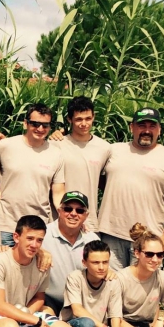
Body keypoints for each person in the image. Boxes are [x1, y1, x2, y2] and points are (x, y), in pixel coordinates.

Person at [98, 108, 164, 269]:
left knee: (142, 291)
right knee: (109, 288)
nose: (146, 130)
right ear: (131, 127)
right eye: (141, 125)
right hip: (110, 235)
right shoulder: (113, 150)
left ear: (159, 129)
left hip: (148, 240)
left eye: (152, 126)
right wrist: (61, 136)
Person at [0, 104, 65, 246]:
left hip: (38, 227)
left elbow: (58, 194)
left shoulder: (56, 153)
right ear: (25, 123)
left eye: (45, 125)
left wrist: (69, 217)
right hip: (6, 225)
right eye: (35, 124)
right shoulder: (5, 146)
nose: (40, 129)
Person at [46, 96, 111, 232]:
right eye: (78, 119)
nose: (84, 124)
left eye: (88, 118)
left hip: (89, 223)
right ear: (69, 119)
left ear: (94, 116)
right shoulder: (56, 144)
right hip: (58, 220)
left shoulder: (105, 148)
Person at [41, 191, 101, 315]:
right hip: (47, 301)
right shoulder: (42, 234)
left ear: (86, 215)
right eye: (68, 209)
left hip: (80, 304)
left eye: (79, 211)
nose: (73, 214)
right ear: (59, 210)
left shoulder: (92, 239)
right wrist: (38, 251)